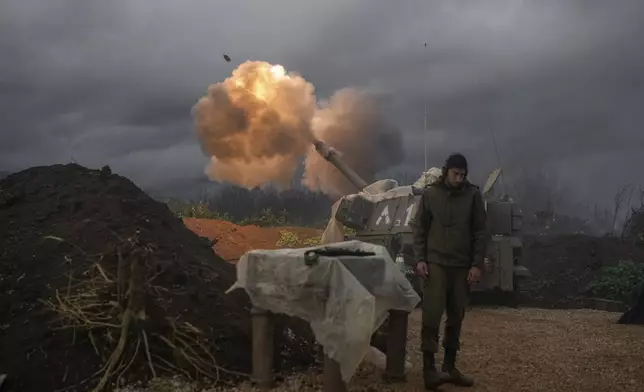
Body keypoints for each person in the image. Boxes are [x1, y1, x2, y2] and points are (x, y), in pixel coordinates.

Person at [410, 153, 489, 390]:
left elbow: (480, 232)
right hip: (435, 263)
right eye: (455, 173)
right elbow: (419, 229)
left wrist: (476, 264)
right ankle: (429, 370)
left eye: (463, 175)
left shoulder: (473, 195)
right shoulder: (431, 194)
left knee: (456, 315)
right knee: (432, 314)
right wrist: (420, 259)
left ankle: (449, 366)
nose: (459, 178)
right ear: (446, 172)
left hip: (461, 266)